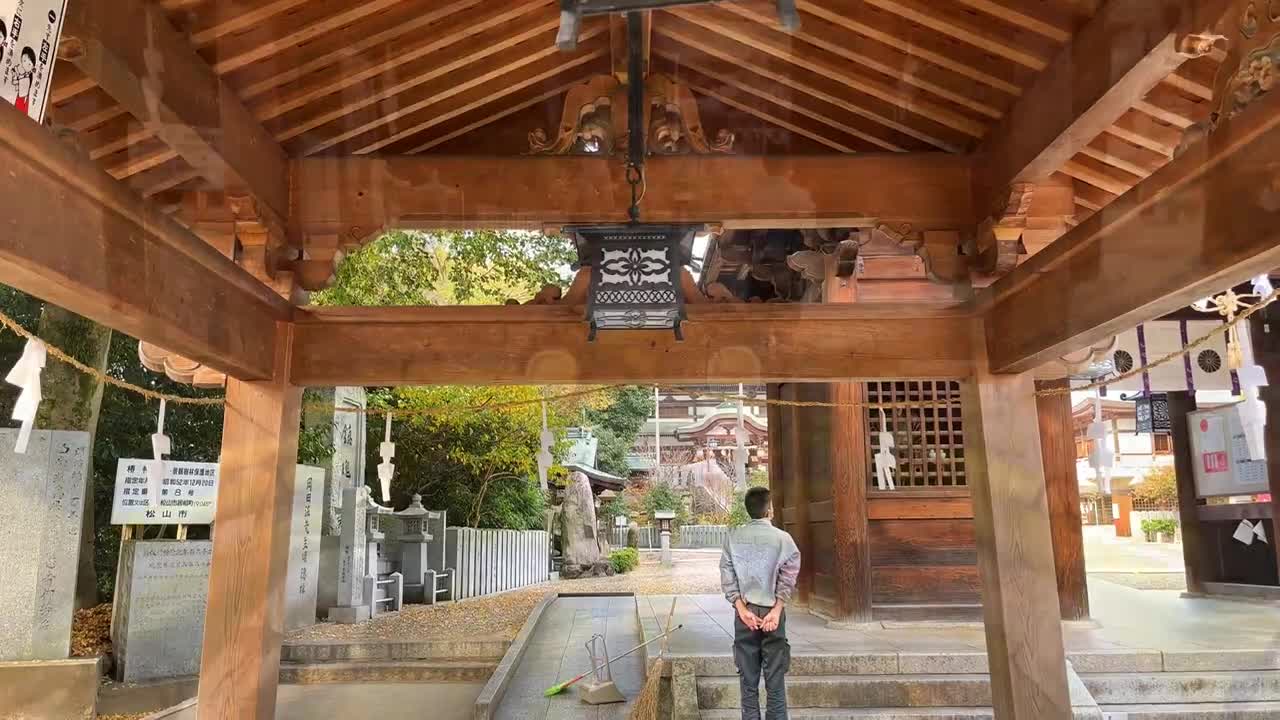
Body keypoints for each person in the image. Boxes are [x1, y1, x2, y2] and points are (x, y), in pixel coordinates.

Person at [719, 486, 801, 720]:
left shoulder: (733, 538)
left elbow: (727, 574)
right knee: (775, 679)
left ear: (748, 510)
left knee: (748, 680)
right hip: (771, 612)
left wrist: (740, 608)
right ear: (770, 509)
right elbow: (789, 574)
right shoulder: (783, 539)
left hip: (745, 613)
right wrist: (777, 610)